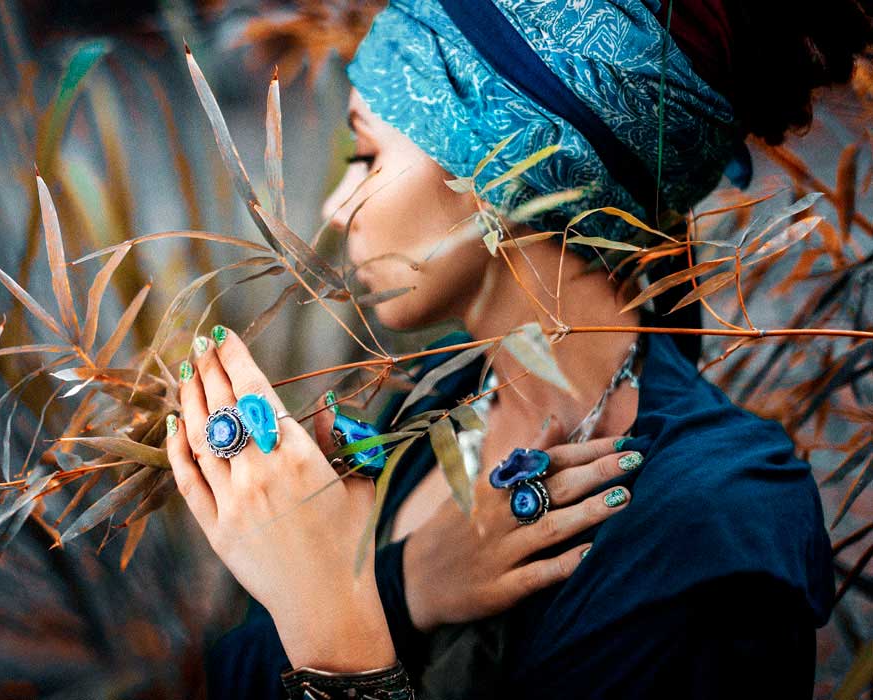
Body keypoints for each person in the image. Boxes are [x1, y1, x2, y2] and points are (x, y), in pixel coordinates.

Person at [165, 0, 873, 697]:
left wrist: (344, 637)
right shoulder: (436, 398)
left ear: (501, 165)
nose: (335, 207)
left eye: (366, 155)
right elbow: (237, 669)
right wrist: (406, 586)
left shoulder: (714, 525)